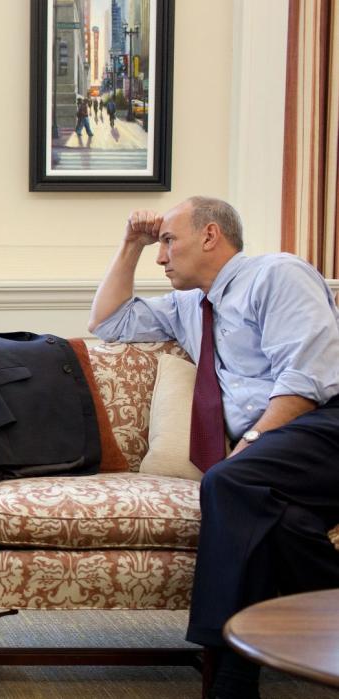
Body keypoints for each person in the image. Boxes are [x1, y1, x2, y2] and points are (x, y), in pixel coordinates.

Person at [88, 196, 339, 698]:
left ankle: (227, 674)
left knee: (229, 480)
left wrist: (249, 443)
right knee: (283, 523)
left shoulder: (277, 274)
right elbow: (108, 322)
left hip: (325, 424)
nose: (161, 257)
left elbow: (306, 378)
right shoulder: (189, 306)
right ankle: (277, 649)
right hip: (286, 450)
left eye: (167, 241)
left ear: (209, 235)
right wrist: (131, 244)